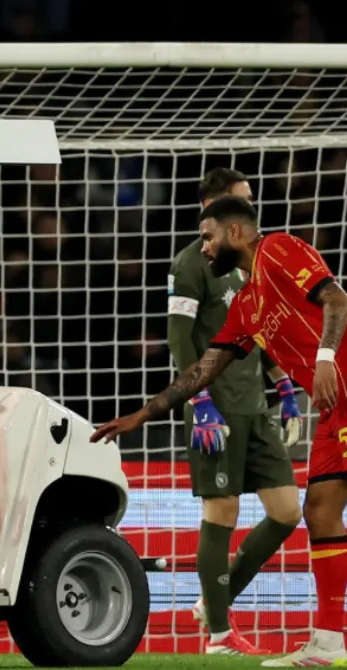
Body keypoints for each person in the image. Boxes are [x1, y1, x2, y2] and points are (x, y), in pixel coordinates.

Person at [92, 196, 347, 667]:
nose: (203, 248)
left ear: (235, 232)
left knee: (314, 510)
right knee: (319, 511)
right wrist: (143, 414)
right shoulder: (248, 305)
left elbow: (335, 297)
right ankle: (329, 641)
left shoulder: (279, 250)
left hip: (342, 385)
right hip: (333, 411)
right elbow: (203, 368)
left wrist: (326, 359)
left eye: (208, 236)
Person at [167, 169, 301, 655]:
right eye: (241, 202)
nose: (251, 212)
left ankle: (213, 602)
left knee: (287, 511)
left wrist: (283, 382)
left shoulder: (252, 264)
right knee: (220, 512)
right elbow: (179, 337)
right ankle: (220, 636)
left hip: (254, 404)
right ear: (215, 208)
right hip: (214, 407)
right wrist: (197, 400)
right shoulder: (191, 263)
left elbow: (260, 330)